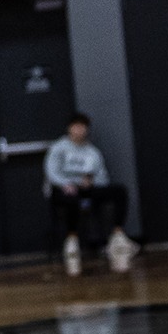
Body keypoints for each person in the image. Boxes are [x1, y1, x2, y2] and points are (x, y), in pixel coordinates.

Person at [46, 113, 138, 276]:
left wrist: (91, 183)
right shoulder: (58, 148)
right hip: (64, 189)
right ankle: (71, 239)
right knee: (71, 199)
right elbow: (51, 172)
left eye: (83, 126)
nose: (79, 130)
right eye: (76, 126)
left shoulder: (92, 152)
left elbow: (102, 176)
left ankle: (117, 235)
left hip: (86, 189)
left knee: (118, 191)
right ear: (69, 128)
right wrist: (65, 183)